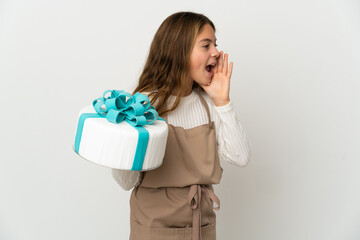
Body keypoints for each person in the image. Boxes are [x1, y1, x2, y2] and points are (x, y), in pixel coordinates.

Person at [112, 11, 251, 240]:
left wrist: (222, 101)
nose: (216, 52)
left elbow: (241, 157)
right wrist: (124, 140)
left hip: (200, 228)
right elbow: (126, 181)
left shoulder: (209, 105)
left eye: (215, 44)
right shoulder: (144, 106)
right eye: (206, 45)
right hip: (153, 229)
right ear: (180, 51)